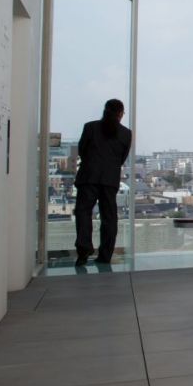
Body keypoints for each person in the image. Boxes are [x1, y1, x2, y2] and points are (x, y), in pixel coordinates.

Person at [74, 99, 132, 267]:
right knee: (109, 217)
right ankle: (105, 254)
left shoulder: (90, 127)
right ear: (121, 113)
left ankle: (83, 251)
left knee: (83, 213)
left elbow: (82, 150)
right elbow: (122, 158)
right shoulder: (125, 134)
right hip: (109, 180)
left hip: (88, 177)